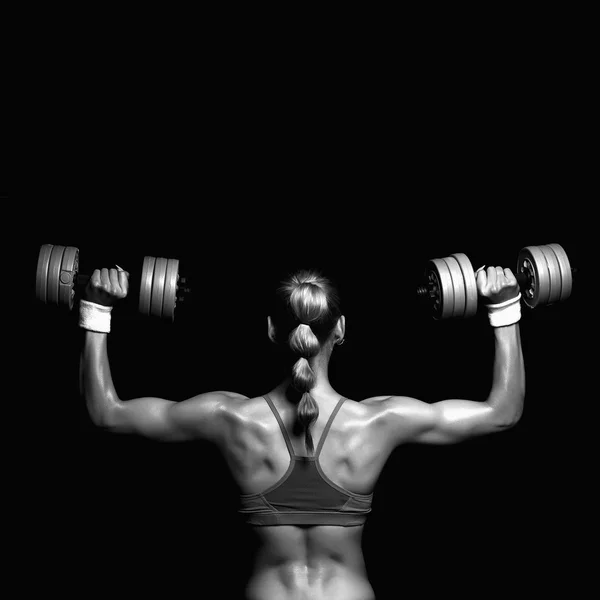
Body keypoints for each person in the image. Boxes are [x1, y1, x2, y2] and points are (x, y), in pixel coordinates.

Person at [79, 264, 525, 600]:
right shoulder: (380, 421)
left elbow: (108, 412)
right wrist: (504, 308)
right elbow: (501, 412)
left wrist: (97, 309)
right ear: (342, 330)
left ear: (272, 330)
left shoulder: (229, 417)